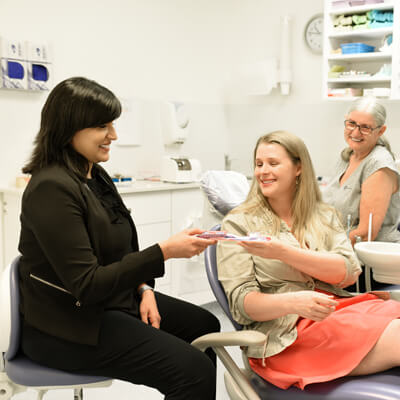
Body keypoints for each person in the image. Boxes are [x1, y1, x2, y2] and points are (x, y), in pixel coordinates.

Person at [18, 76, 220, 400]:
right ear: (70, 126)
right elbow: (87, 283)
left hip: (109, 302)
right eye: (103, 125)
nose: (113, 135)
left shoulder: (94, 174)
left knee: (205, 325)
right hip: (67, 326)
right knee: (193, 371)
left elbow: (122, 248)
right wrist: (165, 252)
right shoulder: (51, 188)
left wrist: (144, 289)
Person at [217, 130, 400, 390]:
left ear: (298, 168)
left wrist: (283, 252)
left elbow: (348, 272)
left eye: (273, 163)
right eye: (259, 164)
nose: (262, 171)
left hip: (338, 311)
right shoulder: (238, 224)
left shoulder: (324, 216)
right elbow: (242, 305)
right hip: (289, 337)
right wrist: (294, 302)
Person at [323, 97, 400, 291]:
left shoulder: (379, 166)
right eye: (351, 124)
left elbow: (364, 235)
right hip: (341, 254)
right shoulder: (348, 156)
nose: (355, 132)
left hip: (366, 268)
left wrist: (319, 249)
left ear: (380, 131)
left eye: (365, 127)